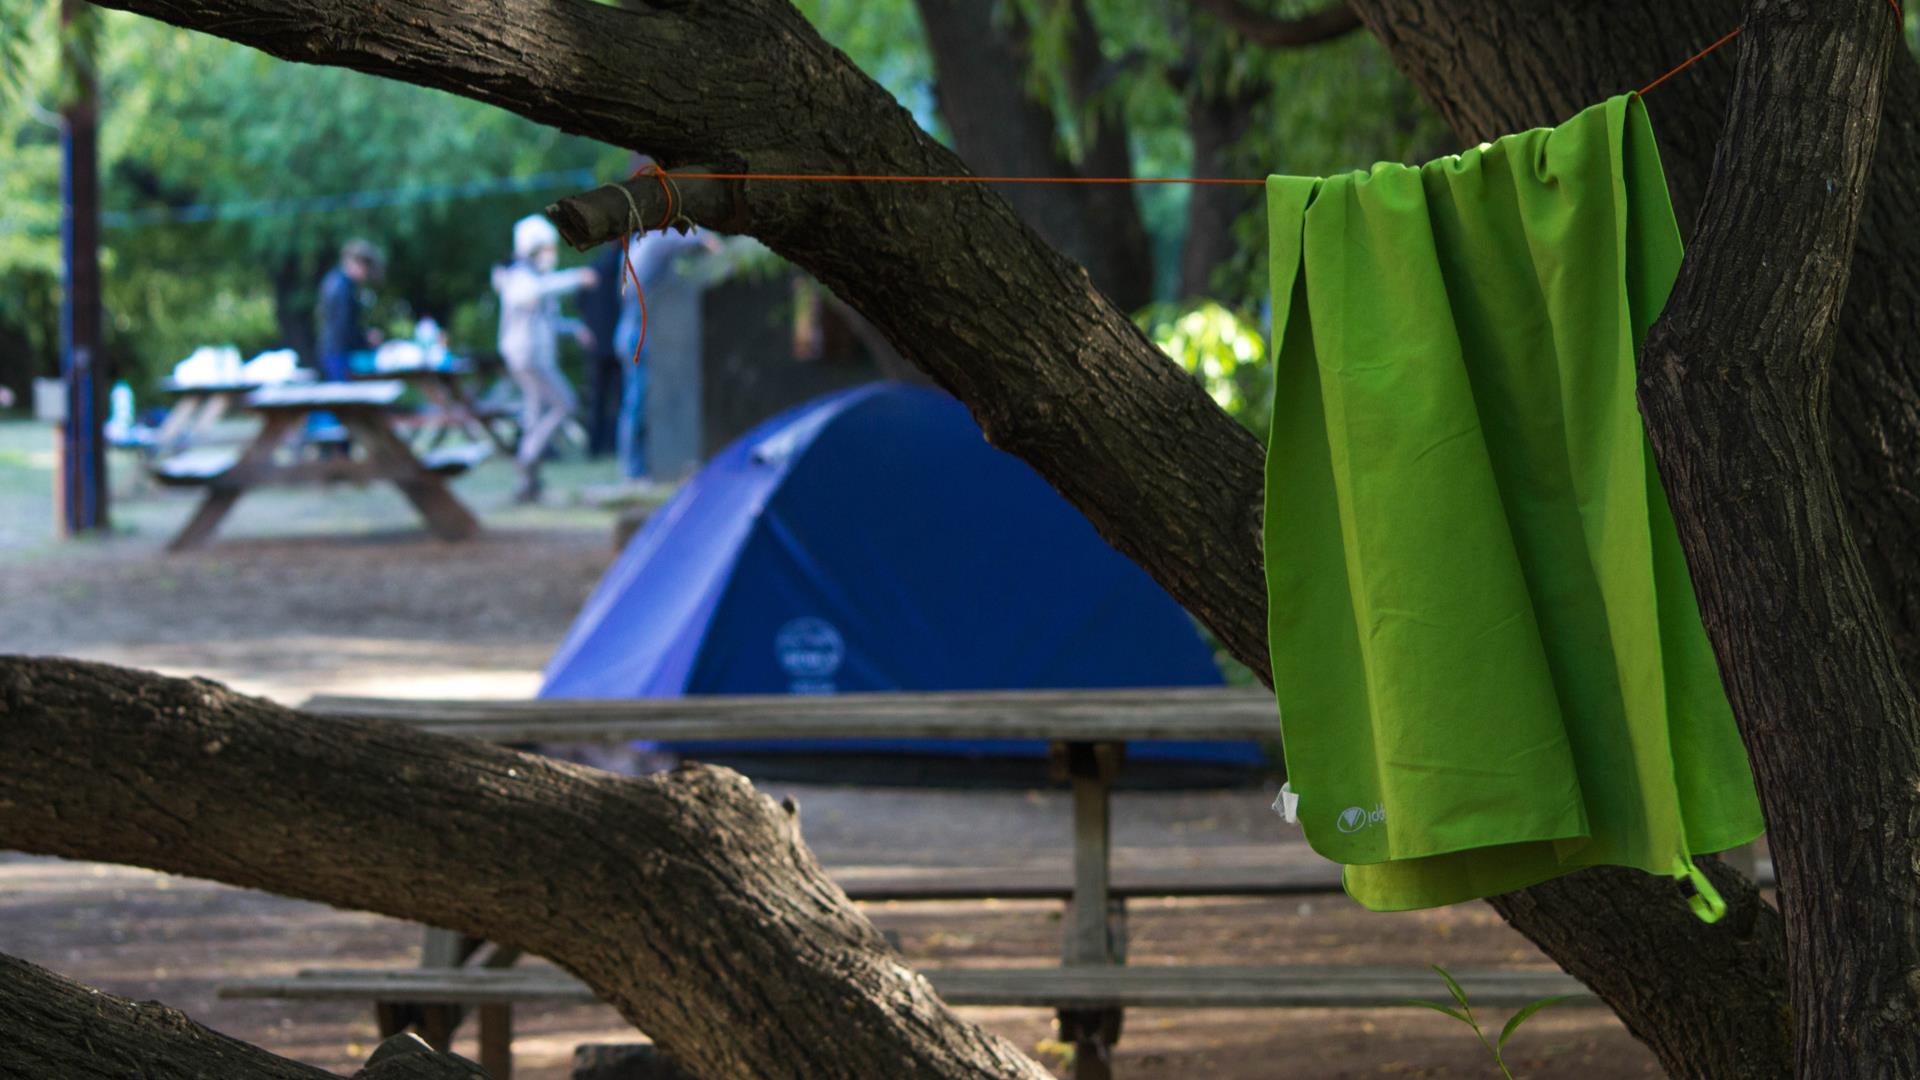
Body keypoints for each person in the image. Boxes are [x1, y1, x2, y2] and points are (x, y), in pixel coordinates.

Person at [492, 214, 597, 503]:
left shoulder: (534, 277)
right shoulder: (520, 277)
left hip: (537, 357)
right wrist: (576, 278)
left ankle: (528, 482)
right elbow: (534, 293)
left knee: (535, 413)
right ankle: (527, 457)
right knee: (565, 402)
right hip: (527, 357)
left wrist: (574, 329)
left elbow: (548, 319)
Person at [613, 224, 719, 483]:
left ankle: (647, 467)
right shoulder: (652, 240)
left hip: (636, 329)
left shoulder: (637, 243)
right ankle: (635, 471)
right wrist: (713, 244)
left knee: (642, 400)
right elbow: (698, 239)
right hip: (641, 331)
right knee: (640, 402)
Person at [576, 243, 626, 458]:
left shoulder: (595, 265)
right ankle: (612, 444)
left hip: (596, 342)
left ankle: (594, 446)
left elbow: (579, 300)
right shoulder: (622, 266)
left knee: (597, 397)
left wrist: (586, 326)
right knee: (619, 396)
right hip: (613, 340)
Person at [315, 239, 384, 380]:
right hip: (340, 353)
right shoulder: (342, 288)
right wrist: (366, 339)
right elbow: (344, 327)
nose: (366, 274)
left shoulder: (337, 281)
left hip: (333, 350)